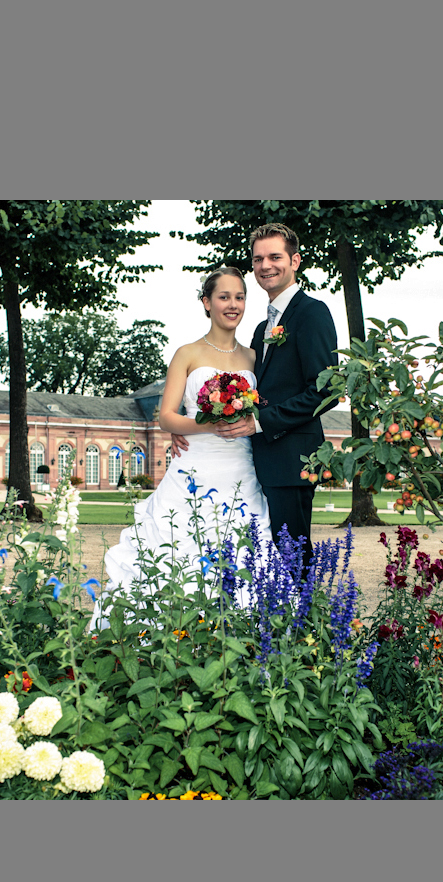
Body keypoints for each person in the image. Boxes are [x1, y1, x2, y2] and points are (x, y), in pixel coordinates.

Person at [90, 267, 272, 630]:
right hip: (194, 468)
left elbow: (264, 410)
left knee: (248, 555)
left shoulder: (255, 358)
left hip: (241, 468)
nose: (233, 304)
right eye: (223, 297)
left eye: (239, 297)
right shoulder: (187, 353)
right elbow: (166, 417)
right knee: (176, 551)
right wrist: (207, 423)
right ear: (207, 303)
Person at [173, 223, 338, 567]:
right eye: (258, 259)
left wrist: (260, 422)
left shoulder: (312, 313)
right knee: (265, 560)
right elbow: (253, 394)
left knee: (292, 559)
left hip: (292, 461)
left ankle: (306, 606)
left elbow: (326, 391)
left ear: (295, 261)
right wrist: (190, 422)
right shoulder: (263, 328)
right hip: (256, 461)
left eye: (275, 257)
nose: (266, 265)